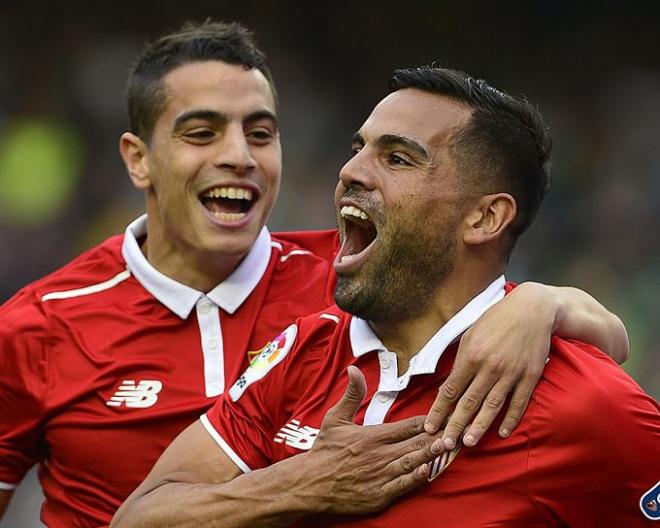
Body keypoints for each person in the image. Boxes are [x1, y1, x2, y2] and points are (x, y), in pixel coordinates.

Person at [0, 22, 629, 528]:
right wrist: (303, 485)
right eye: (201, 133)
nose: (237, 156)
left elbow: (476, 286)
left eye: (261, 133)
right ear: (138, 160)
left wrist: (543, 303)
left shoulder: (355, 281)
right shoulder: (37, 325)